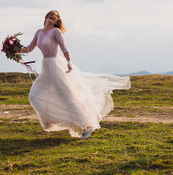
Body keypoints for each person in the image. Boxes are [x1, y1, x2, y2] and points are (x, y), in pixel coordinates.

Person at [20, 10, 131, 139]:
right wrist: (14, 49)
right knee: (35, 95)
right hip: (46, 67)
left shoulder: (55, 32)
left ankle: (87, 125)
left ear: (56, 21)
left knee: (67, 95)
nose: (54, 17)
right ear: (46, 17)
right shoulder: (38, 32)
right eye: (52, 15)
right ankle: (50, 120)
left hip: (56, 65)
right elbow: (28, 48)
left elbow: (64, 48)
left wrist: (68, 62)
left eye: (56, 17)